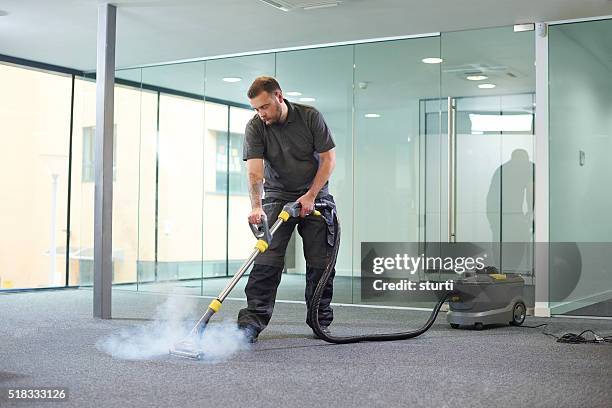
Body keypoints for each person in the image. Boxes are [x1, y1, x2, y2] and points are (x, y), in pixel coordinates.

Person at [237, 76, 338, 343]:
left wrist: (311, 195)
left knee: (321, 263)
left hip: (315, 196)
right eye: (256, 109)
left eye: (265, 106)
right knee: (266, 260)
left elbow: (329, 160)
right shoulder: (256, 126)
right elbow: (255, 171)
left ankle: (319, 320)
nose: (261, 114)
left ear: (279, 96)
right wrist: (256, 207)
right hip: (277, 195)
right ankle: (251, 323)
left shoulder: (309, 117)